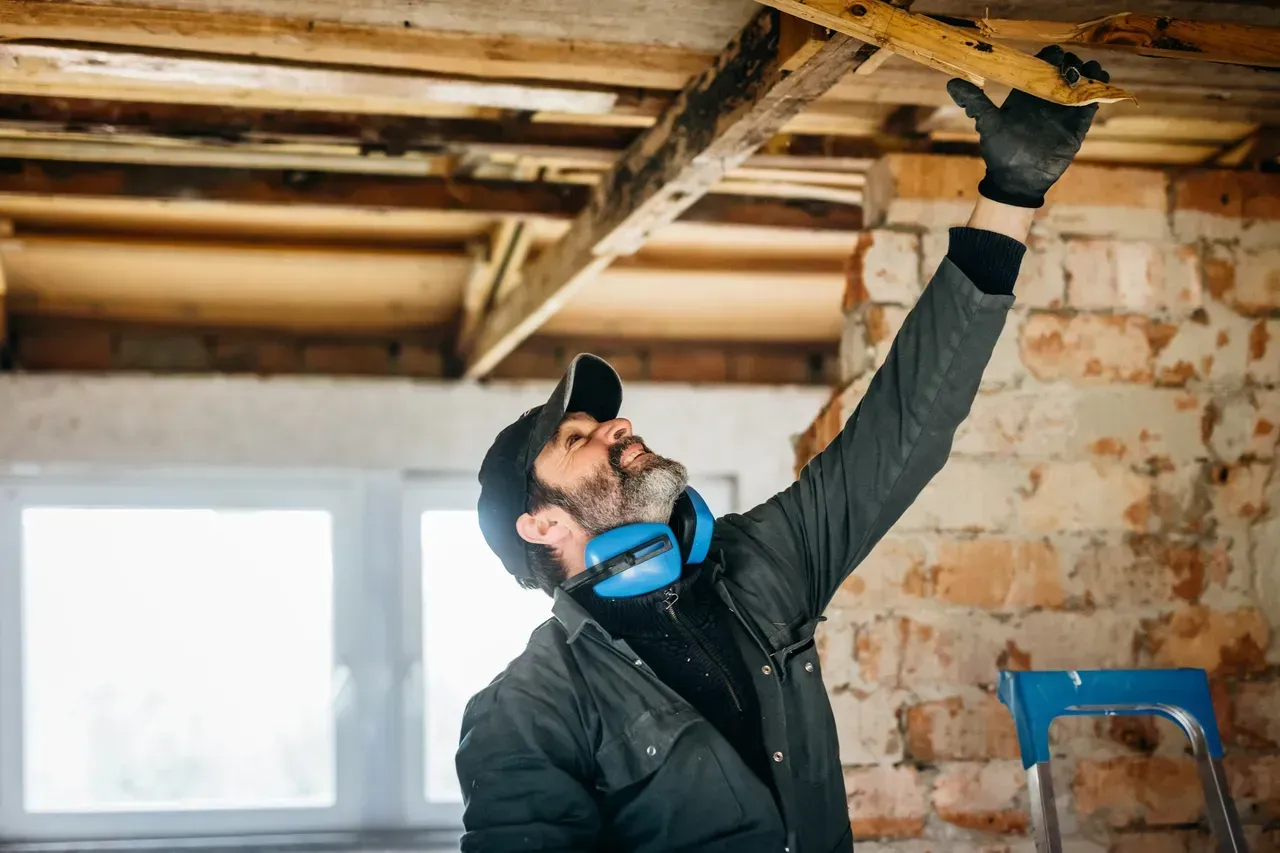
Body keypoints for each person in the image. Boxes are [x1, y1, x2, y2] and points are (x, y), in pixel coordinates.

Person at [457, 47, 1110, 853]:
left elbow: (903, 427)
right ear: (539, 525)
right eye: (578, 437)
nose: (617, 428)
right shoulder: (529, 707)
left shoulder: (761, 566)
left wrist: (1010, 195)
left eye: (609, 420)